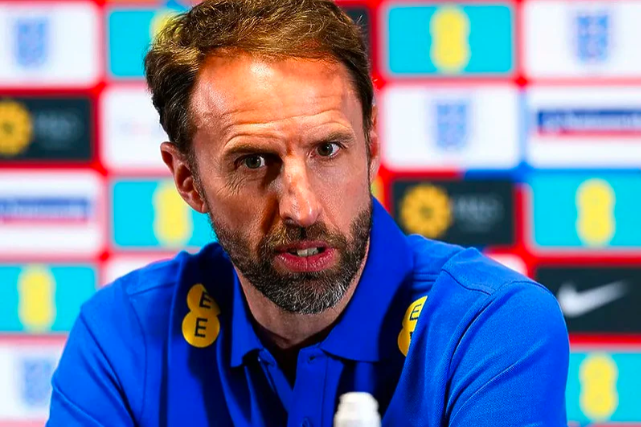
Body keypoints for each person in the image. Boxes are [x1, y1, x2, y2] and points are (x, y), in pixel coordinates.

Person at [47, 0, 569, 425]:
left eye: (327, 150)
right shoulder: (122, 333)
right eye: (254, 161)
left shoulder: (488, 324)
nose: (301, 207)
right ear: (188, 180)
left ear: (371, 147)